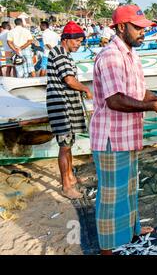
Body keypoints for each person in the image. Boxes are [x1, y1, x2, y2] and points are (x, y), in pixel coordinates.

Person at [90, 5, 157, 255]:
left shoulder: (132, 54)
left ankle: (133, 231)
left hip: (129, 136)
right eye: (138, 28)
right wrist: (151, 106)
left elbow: (139, 92)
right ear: (122, 27)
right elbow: (115, 100)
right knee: (111, 198)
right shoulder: (111, 56)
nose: (143, 32)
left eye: (144, 28)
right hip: (112, 139)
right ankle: (107, 250)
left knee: (129, 189)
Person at [46, 21, 92, 199]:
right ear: (67, 39)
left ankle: (71, 177)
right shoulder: (59, 54)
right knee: (64, 147)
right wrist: (86, 89)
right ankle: (66, 186)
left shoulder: (64, 54)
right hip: (61, 107)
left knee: (69, 144)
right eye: (77, 41)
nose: (79, 45)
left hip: (67, 106)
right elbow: (70, 80)